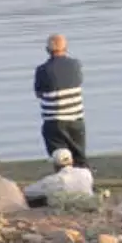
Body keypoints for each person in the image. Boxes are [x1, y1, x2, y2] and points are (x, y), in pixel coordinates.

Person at [33, 34, 86, 167]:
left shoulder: (42, 70)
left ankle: (63, 180)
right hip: (75, 118)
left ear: (47, 50)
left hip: (53, 120)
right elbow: (79, 82)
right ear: (66, 48)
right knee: (79, 155)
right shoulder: (75, 64)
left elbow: (39, 94)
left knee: (59, 158)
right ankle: (84, 181)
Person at [23, 148, 93, 205]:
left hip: (67, 206)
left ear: (55, 165)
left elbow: (28, 192)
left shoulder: (53, 180)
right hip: (88, 203)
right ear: (72, 160)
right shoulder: (86, 172)